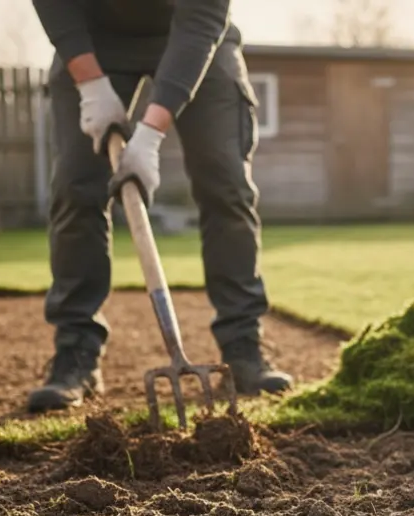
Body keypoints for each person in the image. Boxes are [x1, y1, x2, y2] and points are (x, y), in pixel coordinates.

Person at [27, 0, 293, 413]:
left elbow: (203, 17)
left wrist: (150, 135)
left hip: (193, 36)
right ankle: (76, 354)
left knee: (227, 184)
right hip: (93, 40)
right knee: (75, 188)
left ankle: (243, 347)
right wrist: (91, 84)